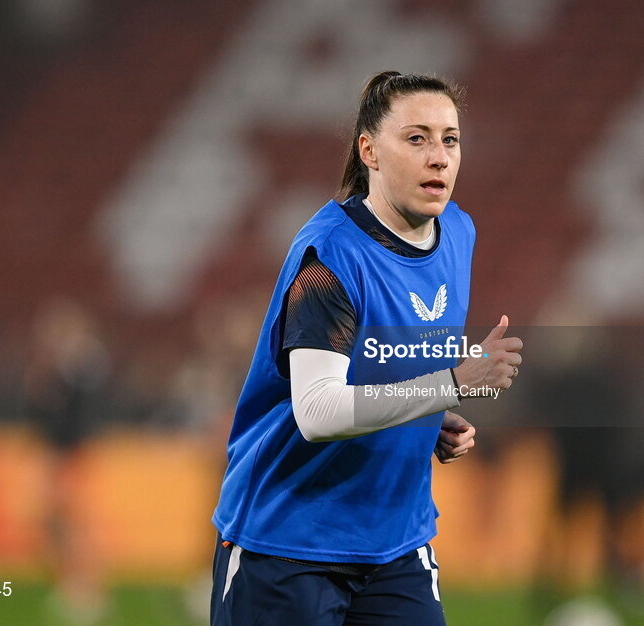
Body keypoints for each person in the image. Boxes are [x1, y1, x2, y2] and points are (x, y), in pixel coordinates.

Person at [210, 71, 523, 625]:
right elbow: (318, 412)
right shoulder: (331, 259)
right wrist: (451, 384)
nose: (439, 157)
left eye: (450, 139)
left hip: (396, 542)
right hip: (289, 544)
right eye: (417, 138)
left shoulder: (458, 233)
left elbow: (387, 364)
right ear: (369, 151)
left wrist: (427, 418)